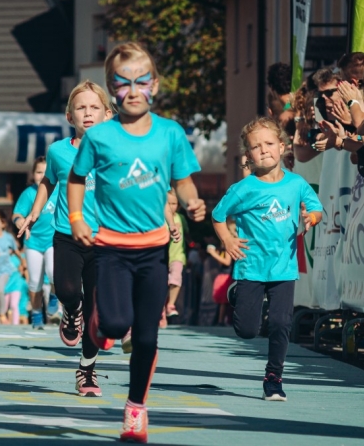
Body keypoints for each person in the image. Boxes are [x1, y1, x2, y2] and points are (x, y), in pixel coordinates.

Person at [68, 42, 206, 442]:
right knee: (114, 323)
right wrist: (77, 218)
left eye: (141, 81)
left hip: (154, 251)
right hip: (111, 248)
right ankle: (99, 320)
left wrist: (193, 201)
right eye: (122, 82)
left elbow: (183, 180)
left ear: (155, 85)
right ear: (112, 88)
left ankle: (135, 409)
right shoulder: (100, 137)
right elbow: (76, 178)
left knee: (146, 336)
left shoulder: (170, 133)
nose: (132, 90)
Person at [212, 116, 323, 402]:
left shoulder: (296, 183)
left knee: (280, 323)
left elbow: (316, 208)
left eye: (269, 143)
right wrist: (227, 240)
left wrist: (310, 218)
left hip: (284, 267)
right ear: (248, 155)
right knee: (247, 330)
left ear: (282, 147)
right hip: (251, 266)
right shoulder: (244, 189)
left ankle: (273, 378)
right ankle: (236, 293)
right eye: (256, 146)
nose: (264, 150)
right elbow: (218, 215)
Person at [18, 80, 113, 397]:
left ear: (107, 114)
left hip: (104, 240)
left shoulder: (116, 151)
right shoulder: (58, 151)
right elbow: (47, 182)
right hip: (67, 235)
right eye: (81, 108)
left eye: (94, 107)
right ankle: (72, 310)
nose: (88, 113)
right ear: (69, 116)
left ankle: (87, 371)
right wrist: (34, 212)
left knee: (97, 313)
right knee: (68, 291)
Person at [12, 157, 57, 330]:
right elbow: (17, 214)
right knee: (35, 281)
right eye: (39, 172)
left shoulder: (59, 190)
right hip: (33, 242)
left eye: (46, 172)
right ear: (33, 174)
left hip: (53, 240)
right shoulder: (29, 193)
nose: (42, 176)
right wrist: (19, 221)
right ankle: (37, 314)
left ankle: (54, 295)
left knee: (53, 272)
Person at [165, 188, 188, 320]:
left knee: (176, 278)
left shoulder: (181, 218)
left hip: (178, 255)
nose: (171, 206)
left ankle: (171, 304)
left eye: (174, 204)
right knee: (161, 284)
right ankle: (161, 310)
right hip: (163, 256)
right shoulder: (161, 219)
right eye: (168, 203)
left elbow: (187, 235)